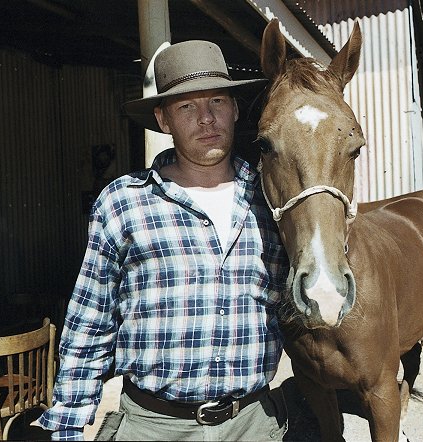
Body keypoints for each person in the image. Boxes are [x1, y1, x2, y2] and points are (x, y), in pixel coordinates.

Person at [35, 39, 290, 441]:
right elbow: (90, 320)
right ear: (163, 118)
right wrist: (68, 422)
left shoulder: (273, 199)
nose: (206, 118)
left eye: (218, 102)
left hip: (252, 424)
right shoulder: (124, 202)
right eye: (187, 106)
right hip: (153, 427)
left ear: (236, 109)